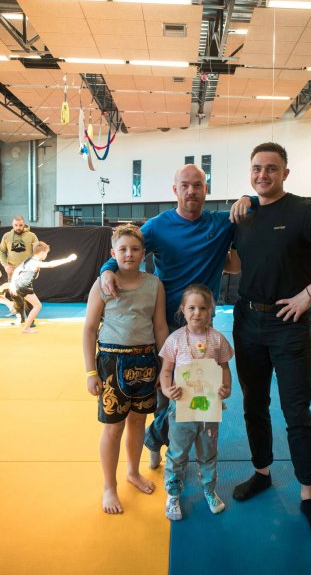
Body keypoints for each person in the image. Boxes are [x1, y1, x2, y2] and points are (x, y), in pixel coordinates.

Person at [225, 142, 311, 542]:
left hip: (289, 324)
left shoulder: (306, 212)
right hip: (248, 320)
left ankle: (307, 494)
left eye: (271, 168)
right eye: (257, 168)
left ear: (285, 173)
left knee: (296, 409)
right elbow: (237, 262)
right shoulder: (245, 214)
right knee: (253, 403)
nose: (263, 174)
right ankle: (262, 472)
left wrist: (310, 294)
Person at [100, 164, 253, 469]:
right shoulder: (158, 226)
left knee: (198, 391)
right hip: (165, 322)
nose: (191, 191)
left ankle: (170, 445)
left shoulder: (222, 223)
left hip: (202, 324)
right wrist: (107, 270)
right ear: (175, 190)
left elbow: (264, 202)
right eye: (184, 185)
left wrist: (249, 198)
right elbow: (127, 247)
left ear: (206, 189)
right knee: (166, 391)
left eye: (197, 185)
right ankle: (160, 442)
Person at [83, 225, 169, 514]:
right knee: (113, 428)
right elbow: (89, 329)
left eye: (135, 249)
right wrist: (90, 372)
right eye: (123, 249)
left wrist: (164, 367)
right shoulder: (102, 284)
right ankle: (109, 485)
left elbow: (160, 327)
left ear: (144, 253)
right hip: (111, 362)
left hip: (146, 361)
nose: (129, 254)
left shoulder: (154, 285)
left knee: (137, 422)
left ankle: (133, 471)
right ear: (113, 253)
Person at [158, 284, 233, 520]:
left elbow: (224, 368)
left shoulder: (218, 340)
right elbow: (166, 370)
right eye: (191, 308)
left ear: (211, 310)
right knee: (177, 453)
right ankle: (173, 494)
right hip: (181, 409)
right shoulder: (175, 339)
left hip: (209, 412)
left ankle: (209, 490)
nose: (197, 313)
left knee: (208, 452)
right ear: (182, 309)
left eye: (203, 308)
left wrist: (226, 388)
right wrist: (168, 390)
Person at [10, 241, 77, 333]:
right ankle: (26, 328)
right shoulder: (36, 262)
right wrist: (68, 259)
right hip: (24, 286)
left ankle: (25, 324)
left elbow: (17, 270)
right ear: (42, 253)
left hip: (18, 284)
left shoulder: (28, 260)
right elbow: (50, 264)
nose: (46, 255)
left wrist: (13, 284)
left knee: (35, 305)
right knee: (37, 306)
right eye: (46, 253)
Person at [0, 215, 38, 319]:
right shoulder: (7, 236)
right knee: (14, 295)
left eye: (20, 225)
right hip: (12, 271)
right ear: (12, 225)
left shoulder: (32, 236)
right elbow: (1, 252)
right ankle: (20, 317)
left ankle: (30, 320)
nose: (18, 227)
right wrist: (6, 265)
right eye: (16, 225)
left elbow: (37, 253)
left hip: (27, 271)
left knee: (28, 295)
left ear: (24, 224)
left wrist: (37, 267)